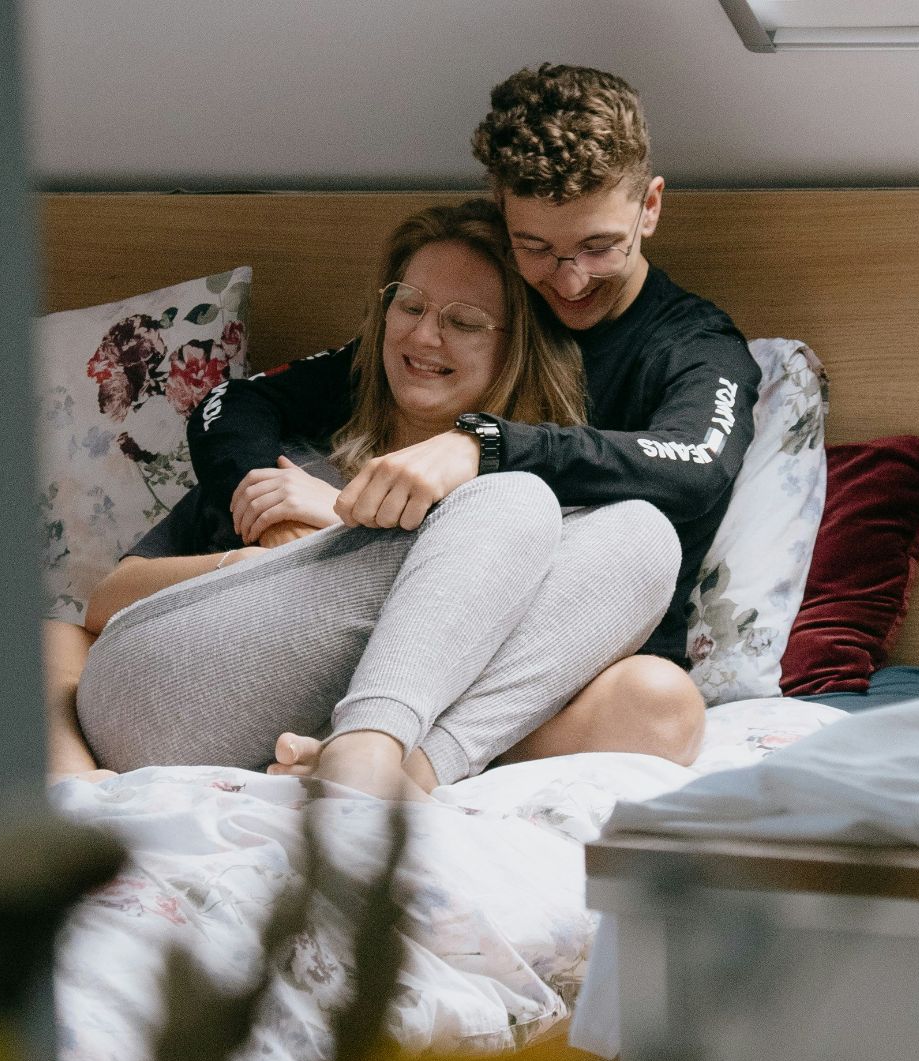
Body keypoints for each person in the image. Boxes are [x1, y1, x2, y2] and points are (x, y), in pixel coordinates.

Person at [186, 64, 759, 774]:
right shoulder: (476, 318)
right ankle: (380, 748)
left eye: (598, 247)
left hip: (576, 667)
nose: (570, 281)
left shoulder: (692, 347)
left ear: (650, 207)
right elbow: (234, 401)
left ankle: (398, 761)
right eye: (537, 249)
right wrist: (263, 506)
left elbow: (696, 468)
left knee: (658, 695)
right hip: (408, 646)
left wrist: (488, 448)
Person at [60, 200, 681, 799]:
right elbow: (105, 602)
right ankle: (371, 746)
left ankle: (398, 764)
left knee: (645, 535)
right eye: (409, 306)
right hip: (175, 694)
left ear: (521, 350)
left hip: (339, 728)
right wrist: (267, 559)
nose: (425, 335)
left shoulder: (550, 506)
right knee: (515, 500)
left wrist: (337, 517)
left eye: (464, 322)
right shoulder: (288, 462)